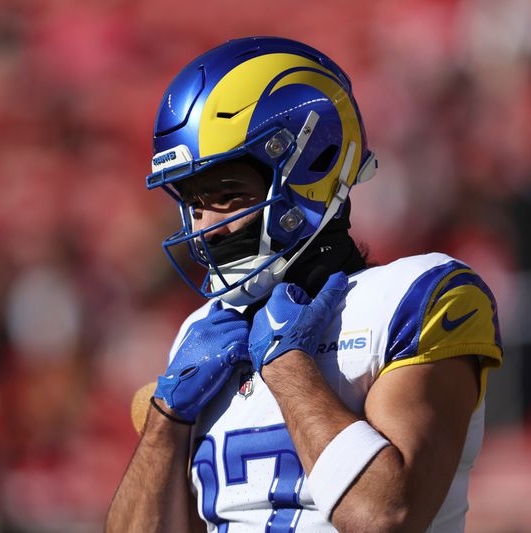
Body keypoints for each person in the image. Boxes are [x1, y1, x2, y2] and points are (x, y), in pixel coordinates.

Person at [106, 36, 502, 532]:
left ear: (312, 166)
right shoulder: (202, 334)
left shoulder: (419, 297)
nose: (207, 225)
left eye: (229, 196)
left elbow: (385, 514)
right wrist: (167, 420)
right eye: (194, 202)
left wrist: (289, 367)